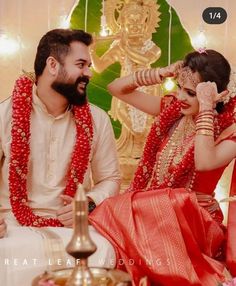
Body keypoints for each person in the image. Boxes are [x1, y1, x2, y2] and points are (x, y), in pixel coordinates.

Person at [89, 49, 236, 286]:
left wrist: (206, 107)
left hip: (195, 220)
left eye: (190, 92)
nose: (180, 97)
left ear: (219, 95)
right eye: (178, 87)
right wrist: (160, 73)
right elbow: (116, 88)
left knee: (129, 206)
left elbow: (204, 161)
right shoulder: (173, 110)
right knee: (135, 211)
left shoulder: (230, 131)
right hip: (156, 212)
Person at [0, 29, 119, 285]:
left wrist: (87, 204)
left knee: (103, 251)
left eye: (88, 65)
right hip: (12, 223)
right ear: (52, 65)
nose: (89, 72)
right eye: (81, 64)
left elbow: (110, 178)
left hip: (73, 226)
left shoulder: (97, 119)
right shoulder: (5, 114)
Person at [90, 0, 161, 188]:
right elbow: (99, 67)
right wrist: (92, 50)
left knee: (146, 125)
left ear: (146, 23)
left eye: (139, 22)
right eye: (131, 22)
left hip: (147, 89)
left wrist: (123, 44)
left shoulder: (149, 46)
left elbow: (144, 58)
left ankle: (144, 152)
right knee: (124, 115)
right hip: (123, 90)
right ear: (123, 23)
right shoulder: (119, 45)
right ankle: (131, 151)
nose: (135, 26)